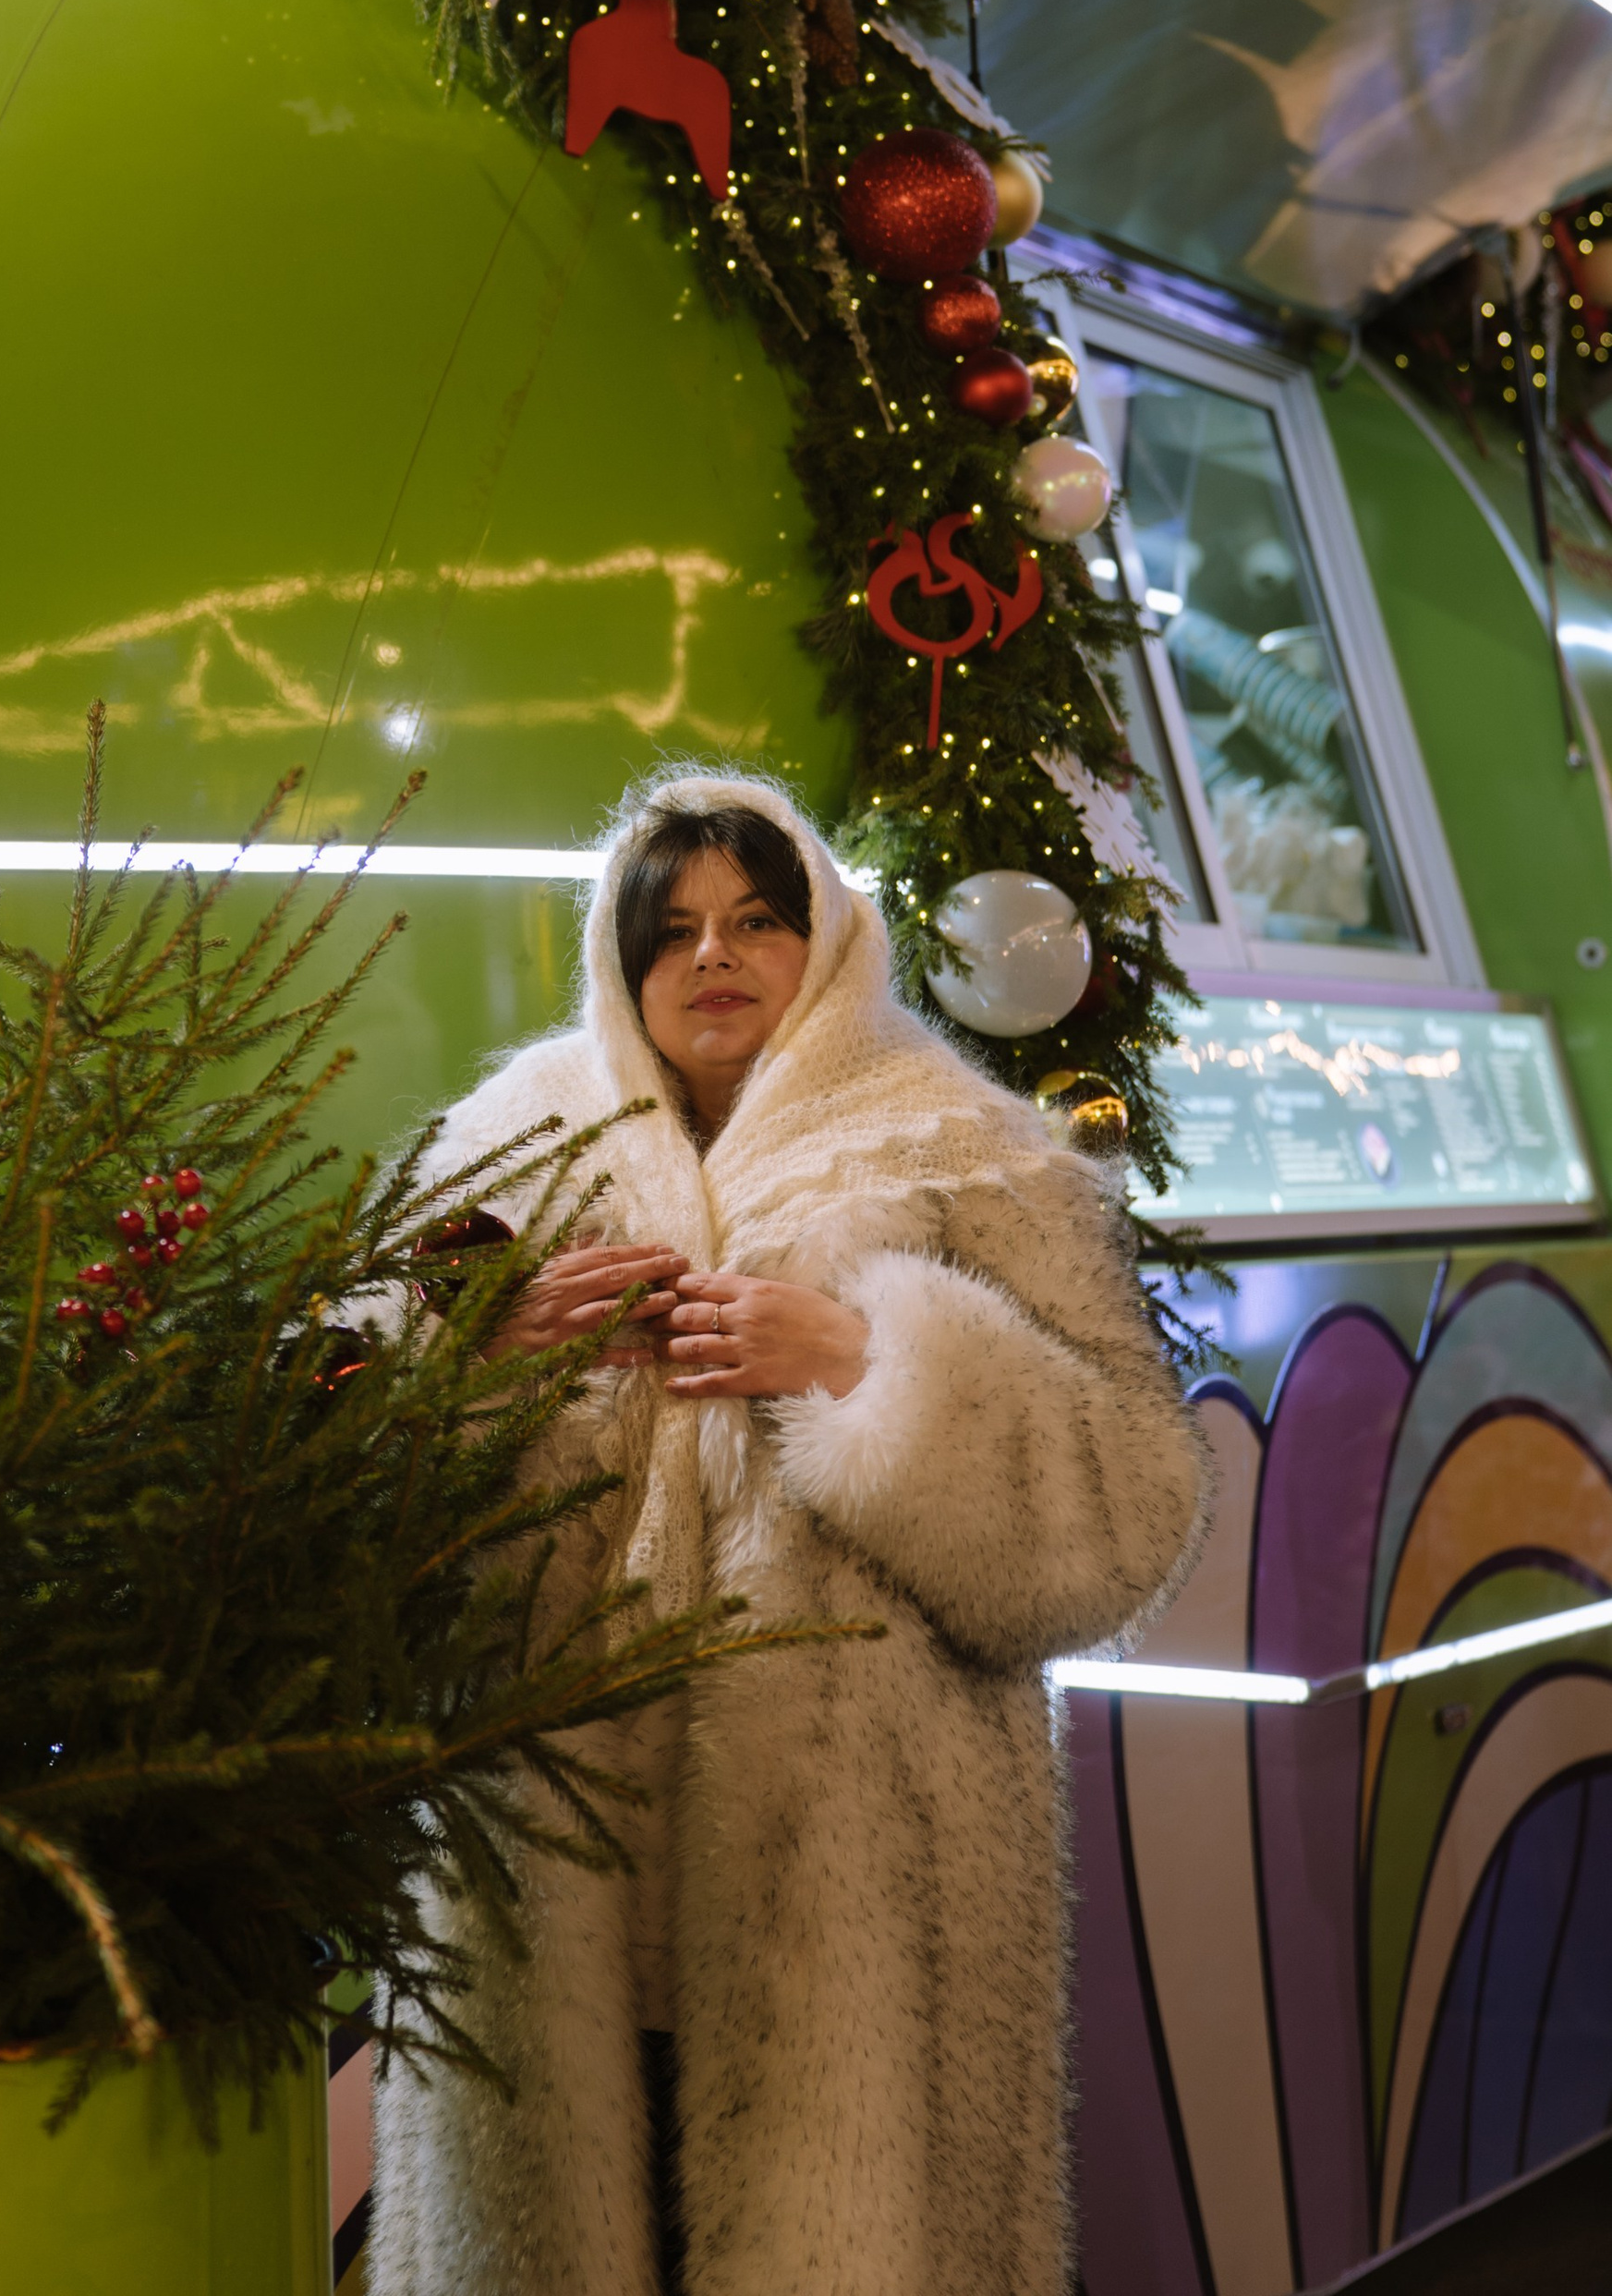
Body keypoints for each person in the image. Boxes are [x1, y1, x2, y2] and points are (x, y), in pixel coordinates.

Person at [368, 768, 1209, 2296]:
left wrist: (864, 1360)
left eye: (756, 918)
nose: (714, 957)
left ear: (819, 935)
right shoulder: (497, 1152)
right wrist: (470, 1350)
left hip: (858, 1891)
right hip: (554, 1869)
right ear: (622, 965)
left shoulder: (972, 1150)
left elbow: (1130, 1503)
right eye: (671, 929)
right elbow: (342, 1465)